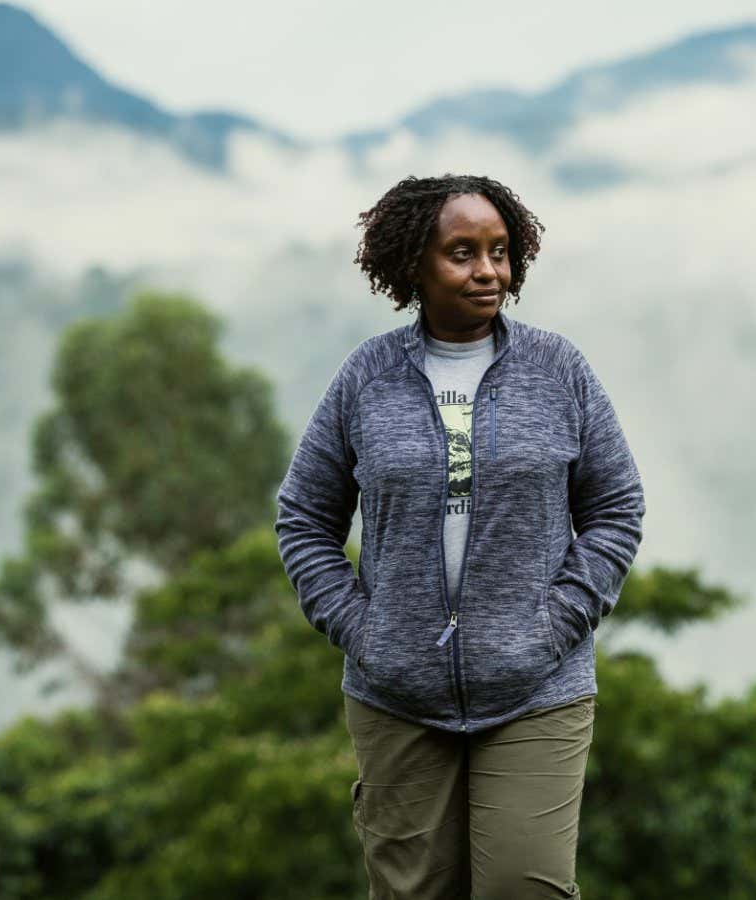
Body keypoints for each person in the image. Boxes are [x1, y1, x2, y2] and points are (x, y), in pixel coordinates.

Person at [274, 173, 645, 898]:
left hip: (538, 690)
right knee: (411, 890)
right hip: (397, 694)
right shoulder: (367, 378)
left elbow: (616, 507)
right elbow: (305, 518)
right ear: (414, 263)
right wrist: (364, 631)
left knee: (522, 887)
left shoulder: (557, 370)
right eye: (463, 252)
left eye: (500, 252)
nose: (488, 272)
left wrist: (552, 626)